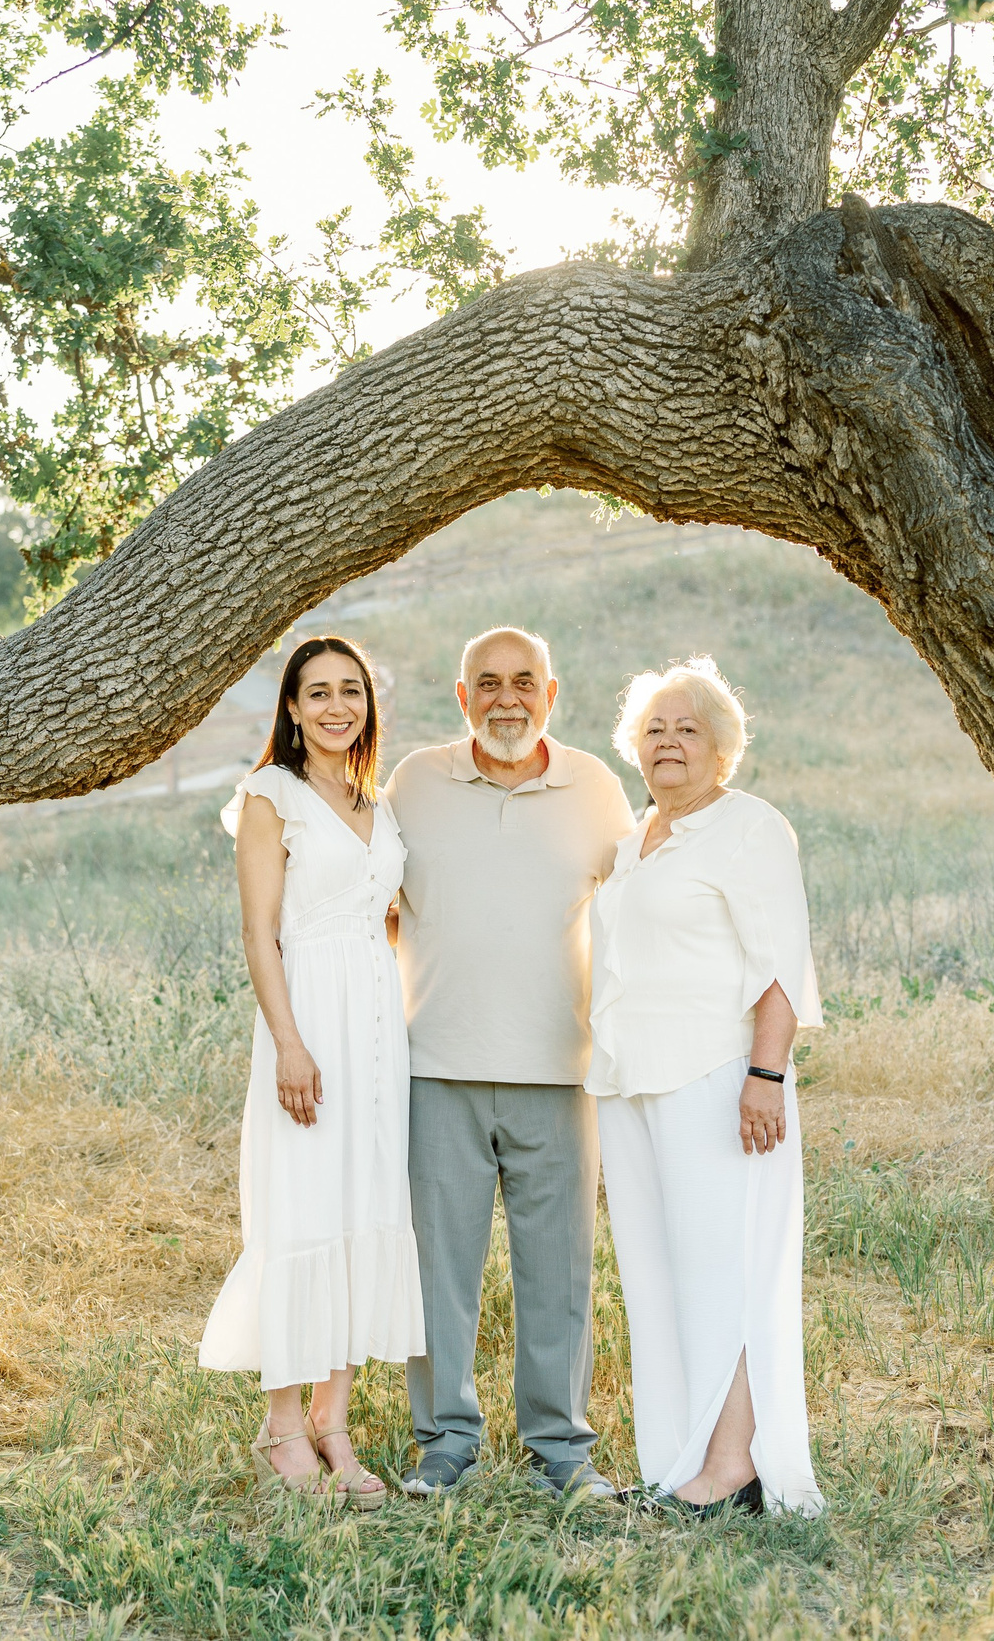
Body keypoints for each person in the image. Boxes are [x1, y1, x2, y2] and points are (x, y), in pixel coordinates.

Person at [384, 626, 637, 1499]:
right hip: (435, 1066)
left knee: (559, 1272)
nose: (506, 698)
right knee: (438, 1273)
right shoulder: (415, 782)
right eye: (487, 682)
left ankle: (561, 1448)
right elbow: (372, 896)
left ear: (551, 694)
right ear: (462, 697)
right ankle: (445, 1442)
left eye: (524, 681)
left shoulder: (595, 788)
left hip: (560, 1070)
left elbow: (642, 905)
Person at [587, 655, 824, 1518]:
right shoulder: (633, 841)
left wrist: (766, 1073)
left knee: (727, 1272)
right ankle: (679, 1463)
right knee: (659, 1279)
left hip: (719, 1081)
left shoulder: (750, 827)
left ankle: (733, 1470)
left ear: (722, 747)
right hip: (629, 1085)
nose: (669, 741)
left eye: (688, 728)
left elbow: (781, 963)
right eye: (654, 728)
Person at [199, 635, 423, 1510]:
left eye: (351, 690)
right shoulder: (272, 795)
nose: (337, 706)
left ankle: (335, 1421)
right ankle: (282, 1423)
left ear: (370, 704)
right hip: (308, 1022)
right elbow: (261, 932)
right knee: (302, 1208)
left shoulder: (378, 802)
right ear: (291, 707)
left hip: (378, 1029)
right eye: (318, 692)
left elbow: (383, 916)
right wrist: (290, 1041)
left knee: (363, 1207)